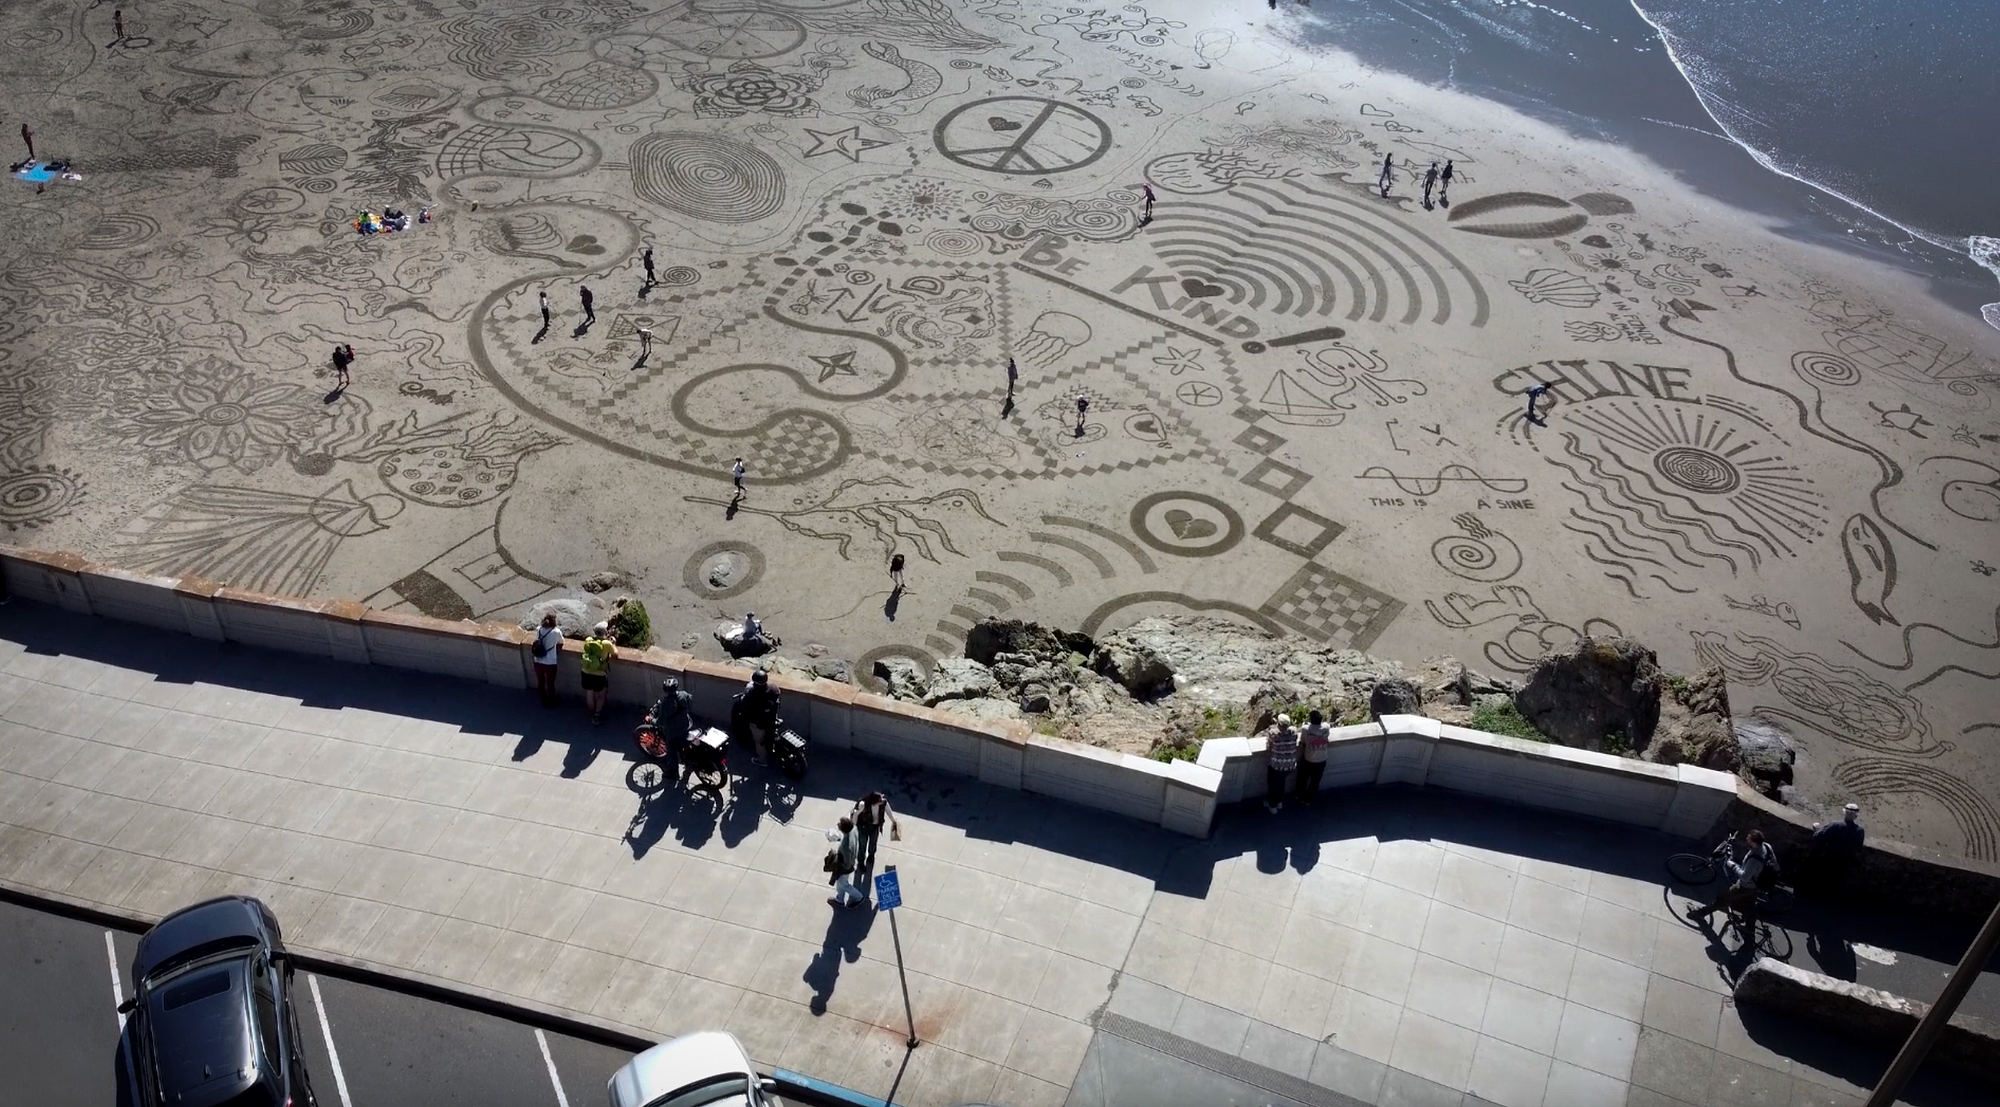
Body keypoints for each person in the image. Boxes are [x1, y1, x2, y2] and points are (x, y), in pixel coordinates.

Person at [1690, 831, 1776, 927]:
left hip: (1746, 886)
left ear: (1754, 843)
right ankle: (1750, 931)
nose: (1746, 840)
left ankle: (1699, 914)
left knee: (1722, 899)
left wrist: (1733, 866)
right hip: (1756, 885)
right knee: (1750, 907)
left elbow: (1744, 877)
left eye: (1748, 839)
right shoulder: (1766, 847)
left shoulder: (1754, 860)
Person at [1804, 803, 1866, 894]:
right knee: (1837, 879)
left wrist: (1817, 828)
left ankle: (1813, 893)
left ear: (1844, 813)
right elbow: (1858, 847)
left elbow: (1819, 837)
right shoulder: (1860, 831)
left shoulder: (1835, 825)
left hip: (1830, 855)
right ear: (1856, 816)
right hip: (1847, 859)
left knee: (1820, 874)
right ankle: (1829, 896)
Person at [647, 678, 693, 778]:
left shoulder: (665, 704)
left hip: (673, 731)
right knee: (684, 743)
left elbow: (660, 722)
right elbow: (690, 699)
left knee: (671, 751)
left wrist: (651, 720)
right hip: (686, 724)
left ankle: (673, 773)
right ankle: (688, 759)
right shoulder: (683, 694)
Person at [737, 668, 780, 766]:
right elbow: (778, 694)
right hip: (772, 717)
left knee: (759, 741)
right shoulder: (773, 688)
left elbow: (745, 702)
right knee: (771, 733)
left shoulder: (752, 693)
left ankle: (762, 760)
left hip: (758, 722)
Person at [852, 790, 898, 872]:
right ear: (874, 801)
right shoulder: (863, 804)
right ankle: (861, 863)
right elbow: (855, 817)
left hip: (875, 827)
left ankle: (871, 856)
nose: (882, 802)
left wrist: (894, 821)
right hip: (863, 827)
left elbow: (889, 812)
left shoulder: (883, 803)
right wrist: (857, 814)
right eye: (879, 801)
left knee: (873, 843)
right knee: (862, 845)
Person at [580, 621, 616, 725]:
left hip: (585, 671)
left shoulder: (588, 640)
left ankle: (591, 711)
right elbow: (616, 654)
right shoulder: (606, 643)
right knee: (601, 695)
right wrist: (613, 643)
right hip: (599, 674)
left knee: (589, 694)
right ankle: (596, 716)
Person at [828, 816, 865, 908]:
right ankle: (839, 899)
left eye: (839, 824)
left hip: (844, 868)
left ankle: (859, 897)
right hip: (849, 863)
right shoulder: (853, 831)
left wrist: (839, 863)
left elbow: (847, 862)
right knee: (840, 883)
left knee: (843, 884)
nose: (837, 824)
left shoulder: (845, 845)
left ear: (843, 829)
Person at [1265, 714, 1299, 813]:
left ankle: (1272, 806)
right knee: (1281, 783)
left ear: (1278, 724)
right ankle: (1279, 802)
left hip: (1277, 765)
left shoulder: (1273, 734)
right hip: (1290, 765)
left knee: (1272, 785)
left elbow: (1269, 748)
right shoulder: (1294, 733)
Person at [1297, 709, 1331, 804]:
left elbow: (1303, 742)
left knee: (1302, 779)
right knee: (1315, 781)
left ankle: (1300, 796)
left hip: (1309, 759)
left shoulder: (1306, 729)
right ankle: (1308, 799)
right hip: (1322, 759)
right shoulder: (1326, 727)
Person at [531, 613, 562, 707]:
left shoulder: (539, 629)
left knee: (540, 681)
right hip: (550, 662)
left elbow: (536, 640)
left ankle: (543, 699)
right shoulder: (556, 632)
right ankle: (551, 701)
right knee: (550, 682)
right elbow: (561, 642)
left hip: (538, 660)